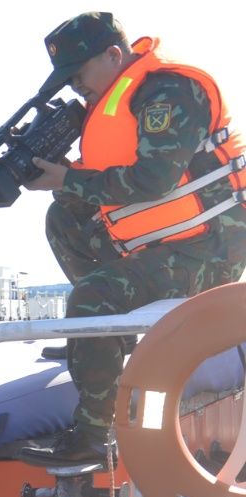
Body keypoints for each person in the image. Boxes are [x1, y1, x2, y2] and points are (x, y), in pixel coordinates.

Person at [22, 12, 246, 462]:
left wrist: (68, 178)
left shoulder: (169, 90)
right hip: (165, 244)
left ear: (113, 54)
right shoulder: (111, 103)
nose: (75, 87)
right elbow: (103, 188)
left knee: (91, 300)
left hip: (209, 251)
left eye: (79, 73)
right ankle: (108, 342)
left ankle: (91, 437)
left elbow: (153, 181)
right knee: (63, 219)